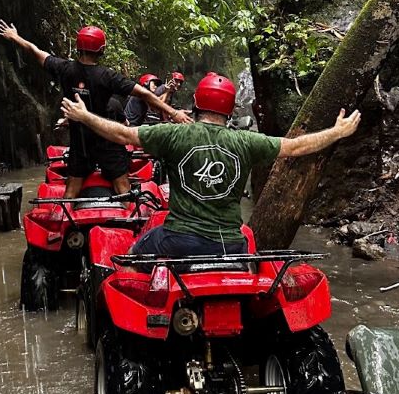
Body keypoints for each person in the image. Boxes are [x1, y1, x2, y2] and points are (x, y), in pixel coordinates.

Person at [61, 71, 361, 256]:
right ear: (230, 109)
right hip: (230, 243)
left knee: (127, 262)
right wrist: (337, 132)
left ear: (196, 102)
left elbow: (123, 133)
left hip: (178, 239)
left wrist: (85, 116)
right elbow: (296, 146)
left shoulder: (174, 135)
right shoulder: (246, 141)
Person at [0, 21, 189, 200]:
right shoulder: (108, 76)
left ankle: (64, 224)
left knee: (70, 191)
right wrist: (173, 113)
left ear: (79, 47)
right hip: (107, 139)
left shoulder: (64, 69)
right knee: (123, 188)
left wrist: (15, 37)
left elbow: (36, 51)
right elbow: (146, 95)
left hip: (80, 142)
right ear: (101, 50)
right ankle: (133, 224)